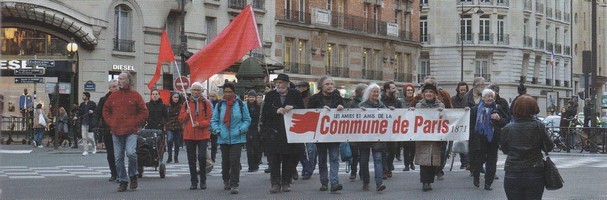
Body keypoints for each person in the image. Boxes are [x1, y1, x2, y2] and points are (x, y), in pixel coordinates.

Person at [103, 71, 149, 192]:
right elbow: (106, 110)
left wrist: (135, 122)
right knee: (118, 158)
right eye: (119, 79)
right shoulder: (113, 96)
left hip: (131, 131)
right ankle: (123, 180)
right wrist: (111, 122)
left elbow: (144, 112)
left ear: (128, 81)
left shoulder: (135, 95)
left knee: (131, 153)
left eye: (122, 79)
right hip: (116, 130)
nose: (119, 81)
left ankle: (133, 175)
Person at [500, 95, 553, 199]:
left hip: (512, 172)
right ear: (534, 109)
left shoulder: (508, 128)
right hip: (534, 172)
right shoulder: (538, 126)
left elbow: (505, 149)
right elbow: (549, 146)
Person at [260, 73, 305, 194]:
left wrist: (293, 107)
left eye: (280, 83)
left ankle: (286, 182)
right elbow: (265, 112)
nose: (278, 85)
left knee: (288, 159)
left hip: (289, 131)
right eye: (277, 83)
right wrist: (276, 110)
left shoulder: (295, 94)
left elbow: (302, 109)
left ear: (287, 84)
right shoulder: (270, 95)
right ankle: (275, 183)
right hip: (274, 132)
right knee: (274, 159)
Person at [211, 82, 251, 194]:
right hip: (223, 137)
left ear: (234, 92)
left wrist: (241, 129)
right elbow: (214, 120)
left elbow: (247, 120)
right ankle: (226, 180)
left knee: (234, 161)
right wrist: (218, 130)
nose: (228, 94)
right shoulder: (219, 105)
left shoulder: (241, 104)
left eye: (230, 92)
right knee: (225, 161)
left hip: (237, 137)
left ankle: (234, 184)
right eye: (226, 92)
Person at [307, 76, 345, 192]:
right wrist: (320, 110)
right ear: (321, 86)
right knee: (322, 159)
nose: (329, 86)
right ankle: (324, 182)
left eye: (331, 84)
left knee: (334, 158)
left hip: (334, 134)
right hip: (320, 135)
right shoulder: (314, 99)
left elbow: (346, 113)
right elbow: (309, 113)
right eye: (327, 84)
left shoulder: (338, 98)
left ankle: (334, 182)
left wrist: (342, 108)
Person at [469, 89, 509, 190]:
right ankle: (476, 176)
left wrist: (499, 118)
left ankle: (488, 183)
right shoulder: (475, 109)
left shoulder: (498, 108)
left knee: (491, 161)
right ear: (483, 98)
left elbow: (506, 121)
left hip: (493, 138)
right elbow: (470, 123)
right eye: (488, 96)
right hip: (479, 137)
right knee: (479, 160)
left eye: (492, 96)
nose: (490, 98)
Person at [180, 82, 213, 190]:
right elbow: (180, 119)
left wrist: (200, 124)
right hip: (189, 135)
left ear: (201, 91)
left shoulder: (206, 103)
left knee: (202, 157)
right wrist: (186, 113)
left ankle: (203, 180)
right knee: (191, 159)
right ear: (191, 91)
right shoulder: (186, 104)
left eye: (198, 90)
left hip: (202, 134)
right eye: (194, 89)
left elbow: (209, 119)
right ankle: (194, 181)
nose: (196, 92)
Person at [412, 84, 444, 191]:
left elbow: (446, 118)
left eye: (430, 92)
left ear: (435, 94)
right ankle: (424, 182)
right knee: (424, 159)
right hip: (423, 135)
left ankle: (430, 181)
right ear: (423, 94)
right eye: (426, 92)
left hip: (435, 136)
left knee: (433, 159)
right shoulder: (418, 106)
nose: (428, 94)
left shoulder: (441, 105)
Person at [357, 83, 387, 191]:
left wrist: (391, 111)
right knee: (364, 161)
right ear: (369, 93)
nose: (376, 93)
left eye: (377, 92)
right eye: (374, 91)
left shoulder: (382, 106)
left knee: (378, 160)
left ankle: (379, 183)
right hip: (365, 138)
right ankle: (366, 182)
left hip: (377, 137)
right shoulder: (361, 105)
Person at [92, 79, 119, 181]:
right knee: (111, 152)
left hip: (120, 129)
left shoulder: (122, 97)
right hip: (108, 129)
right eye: (114, 87)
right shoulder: (104, 99)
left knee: (119, 152)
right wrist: (94, 123)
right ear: (109, 88)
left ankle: (120, 172)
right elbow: (98, 112)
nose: (116, 88)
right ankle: (114, 173)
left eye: (117, 86)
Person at [345, 83, 367, 181]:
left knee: (363, 155)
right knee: (355, 155)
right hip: (353, 133)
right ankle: (353, 172)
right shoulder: (351, 103)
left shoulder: (368, 102)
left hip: (363, 133)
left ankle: (362, 172)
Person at [380, 81, 402, 179]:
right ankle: (384, 169)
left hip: (393, 129)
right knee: (383, 150)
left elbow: (402, 113)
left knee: (392, 150)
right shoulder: (380, 100)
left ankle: (389, 167)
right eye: (393, 88)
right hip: (383, 129)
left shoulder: (397, 101)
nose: (395, 89)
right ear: (387, 89)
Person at [295, 81, 313, 180]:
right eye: (299, 87)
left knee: (311, 150)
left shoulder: (311, 98)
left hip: (310, 127)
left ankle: (308, 170)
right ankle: (306, 167)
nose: (300, 89)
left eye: (302, 87)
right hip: (299, 126)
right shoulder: (296, 97)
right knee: (300, 150)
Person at [450, 81, 470, 169]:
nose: (463, 91)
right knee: (457, 142)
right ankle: (464, 162)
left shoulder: (469, 98)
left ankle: (466, 162)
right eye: (461, 90)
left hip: (466, 123)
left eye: (464, 90)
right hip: (456, 124)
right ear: (458, 90)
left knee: (465, 142)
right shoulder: (453, 99)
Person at [75, 92, 97, 156]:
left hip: (90, 123)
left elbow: (96, 111)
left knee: (90, 137)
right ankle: (85, 150)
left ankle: (94, 146)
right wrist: (76, 116)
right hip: (83, 122)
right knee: (84, 137)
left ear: (87, 96)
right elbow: (79, 111)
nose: (82, 97)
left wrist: (93, 112)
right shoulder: (82, 104)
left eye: (84, 95)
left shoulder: (92, 103)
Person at [245, 90, 262, 172]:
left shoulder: (258, 106)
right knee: (249, 148)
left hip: (256, 128)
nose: (251, 98)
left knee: (256, 147)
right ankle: (250, 166)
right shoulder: (245, 106)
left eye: (252, 97)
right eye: (250, 97)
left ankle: (256, 163)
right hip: (248, 128)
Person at [401, 83, 416, 171]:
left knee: (413, 147)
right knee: (406, 147)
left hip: (414, 126)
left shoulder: (416, 101)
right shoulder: (401, 101)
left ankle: (411, 162)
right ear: (405, 92)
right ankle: (406, 164)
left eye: (411, 90)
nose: (410, 92)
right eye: (408, 90)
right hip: (404, 127)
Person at [166, 92, 184, 163]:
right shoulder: (168, 106)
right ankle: (169, 156)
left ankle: (176, 157)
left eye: (177, 97)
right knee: (169, 140)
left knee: (177, 143)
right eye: (174, 97)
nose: (176, 99)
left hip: (178, 126)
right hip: (170, 126)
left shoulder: (181, 106)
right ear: (172, 98)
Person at [208, 92, 220, 163]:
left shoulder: (219, 104)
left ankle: (213, 158)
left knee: (214, 144)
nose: (212, 97)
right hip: (208, 125)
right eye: (210, 96)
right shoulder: (207, 103)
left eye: (213, 96)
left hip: (216, 125)